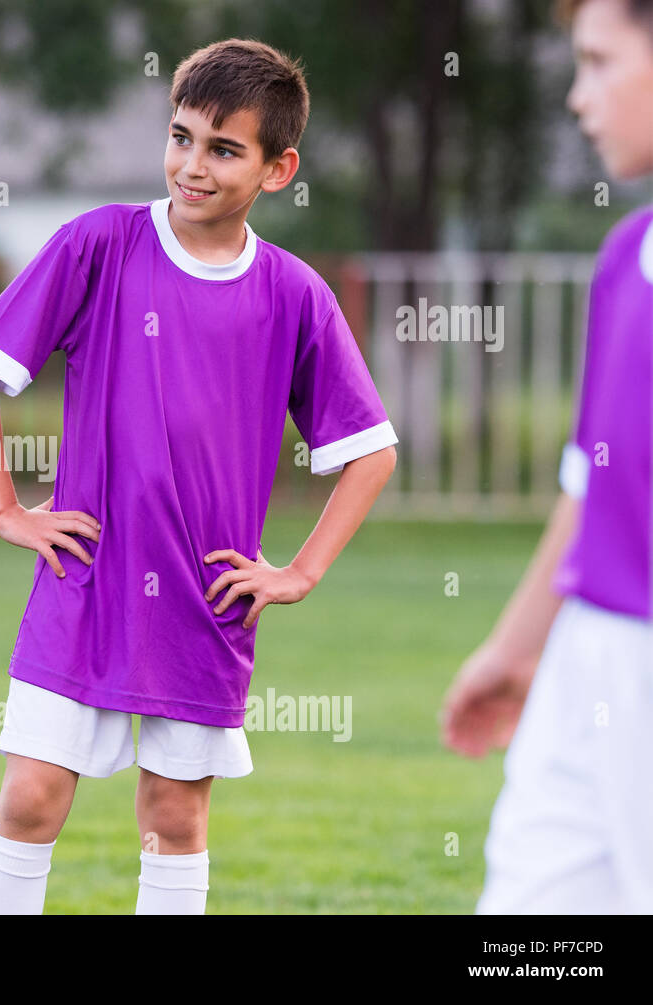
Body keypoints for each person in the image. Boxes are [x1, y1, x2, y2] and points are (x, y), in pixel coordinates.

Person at [0, 38, 399, 915]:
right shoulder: (100, 244)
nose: (192, 165)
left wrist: (299, 571)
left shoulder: (294, 294)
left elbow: (370, 450)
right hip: (84, 580)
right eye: (182, 137)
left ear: (277, 168)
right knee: (33, 797)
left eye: (224, 149)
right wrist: (3, 505)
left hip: (205, 600)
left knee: (173, 816)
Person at [441, 0, 653, 914]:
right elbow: (588, 488)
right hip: (587, 656)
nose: (578, 96)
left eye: (601, 63)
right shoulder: (624, 257)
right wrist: (515, 648)